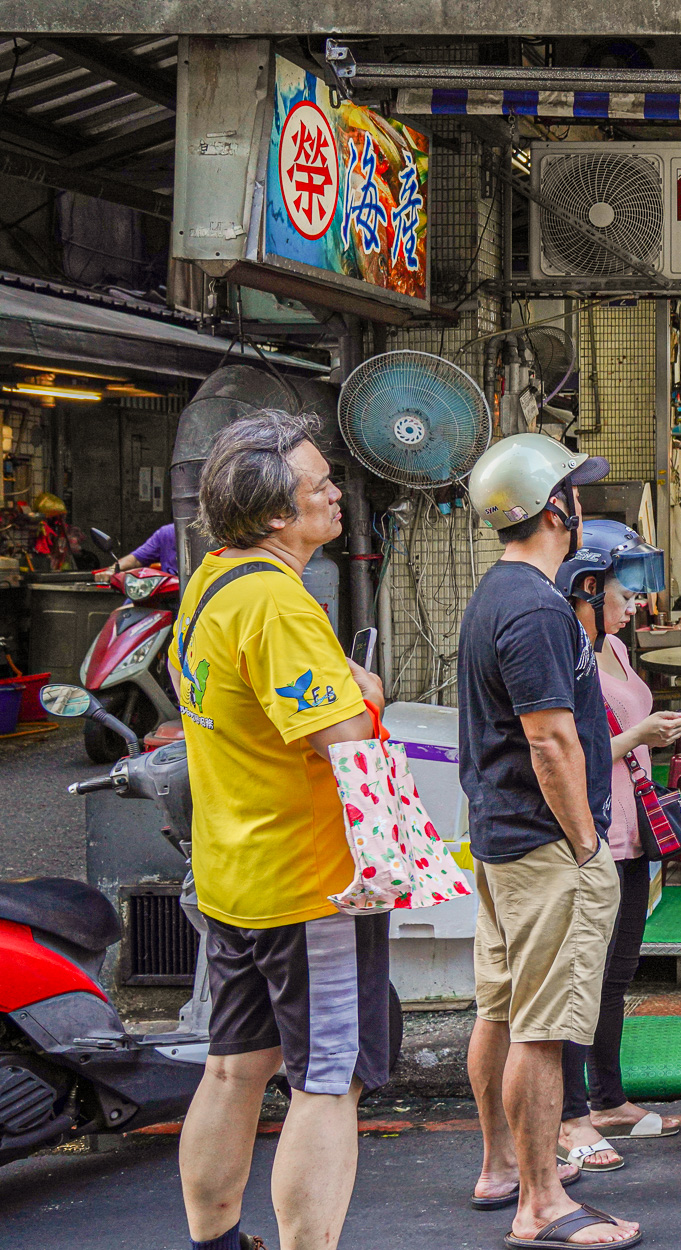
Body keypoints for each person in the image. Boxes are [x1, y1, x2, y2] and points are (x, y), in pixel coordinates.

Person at [172, 409, 390, 1250]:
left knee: (233, 1069)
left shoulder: (212, 582)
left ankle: (216, 1241)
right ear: (273, 514)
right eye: (320, 484)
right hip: (310, 886)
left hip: (235, 873)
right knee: (324, 1084)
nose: (337, 493)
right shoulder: (277, 604)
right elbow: (345, 737)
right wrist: (363, 687)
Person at [459, 433, 642, 1249]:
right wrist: (586, 846)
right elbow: (552, 742)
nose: (582, 506)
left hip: (501, 838)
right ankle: (541, 1203)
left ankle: (503, 1168)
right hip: (542, 846)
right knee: (540, 1024)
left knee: (499, 1010)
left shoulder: (496, 595)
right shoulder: (536, 608)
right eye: (574, 492)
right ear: (552, 508)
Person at [554, 521, 681, 1174]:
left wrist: (650, 732)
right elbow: (568, 754)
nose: (636, 600)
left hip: (632, 828)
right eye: (626, 586)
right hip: (594, 831)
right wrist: (640, 732)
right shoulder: (565, 648)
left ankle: (608, 1098)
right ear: (589, 586)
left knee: (616, 973)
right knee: (580, 979)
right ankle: (569, 1112)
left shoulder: (611, 646)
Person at [100, 520, 178, 579]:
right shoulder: (167, 533)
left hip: (188, 593)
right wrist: (112, 570)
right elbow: (136, 559)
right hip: (169, 594)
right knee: (133, 599)